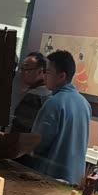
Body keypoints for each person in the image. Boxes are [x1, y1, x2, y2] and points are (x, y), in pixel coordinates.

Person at [29, 51, 92, 185]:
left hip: (52, 176)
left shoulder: (54, 103)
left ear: (62, 76)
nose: (44, 76)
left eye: (48, 72)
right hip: (75, 178)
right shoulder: (85, 104)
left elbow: (38, 141)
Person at [11, 52, 51, 133]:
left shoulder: (34, 96)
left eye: (26, 69)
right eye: (21, 68)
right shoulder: (49, 92)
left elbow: (21, 128)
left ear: (40, 71)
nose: (21, 72)